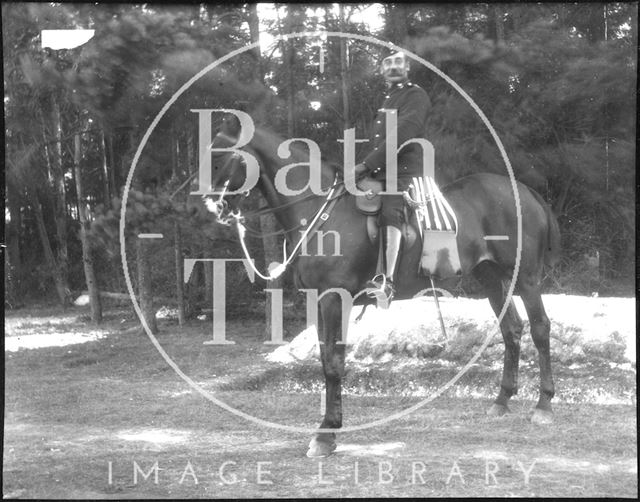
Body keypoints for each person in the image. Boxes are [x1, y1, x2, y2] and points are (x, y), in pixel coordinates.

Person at [353, 50, 431, 303]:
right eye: (387, 63)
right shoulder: (387, 100)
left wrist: (366, 165)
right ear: (381, 70)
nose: (393, 66)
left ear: (408, 67)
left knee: (390, 209)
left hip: (405, 172)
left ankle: (385, 280)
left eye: (398, 61)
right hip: (381, 172)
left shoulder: (415, 95)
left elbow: (403, 133)